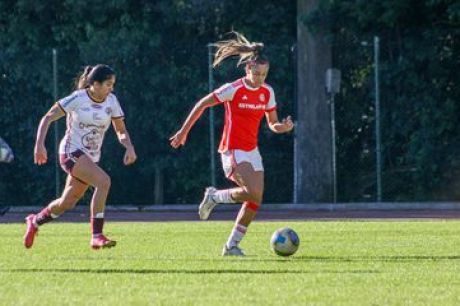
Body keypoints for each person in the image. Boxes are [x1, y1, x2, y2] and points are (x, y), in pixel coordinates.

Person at [170, 32, 294, 256]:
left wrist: (282, 128)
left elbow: (272, 123)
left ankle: (231, 246)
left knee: (255, 200)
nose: (259, 78)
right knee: (251, 191)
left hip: (252, 150)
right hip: (232, 149)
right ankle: (214, 196)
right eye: (256, 73)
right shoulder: (234, 88)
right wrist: (183, 131)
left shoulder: (267, 92)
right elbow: (202, 104)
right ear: (247, 70)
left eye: (264, 74)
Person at [24, 64, 137, 250]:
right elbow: (47, 118)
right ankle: (97, 235)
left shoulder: (112, 101)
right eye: (108, 84)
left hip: (91, 157)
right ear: (95, 84)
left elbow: (121, 130)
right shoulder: (78, 98)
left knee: (67, 202)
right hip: (71, 152)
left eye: (113, 84)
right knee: (104, 181)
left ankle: (35, 221)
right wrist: (39, 145)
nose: (111, 88)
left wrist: (129, 147)